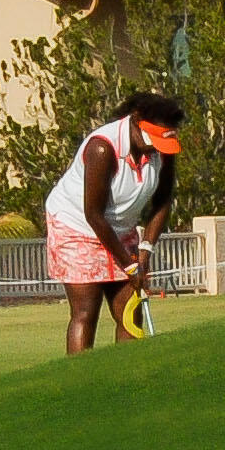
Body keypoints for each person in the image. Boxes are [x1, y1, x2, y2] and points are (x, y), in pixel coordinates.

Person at [45, 92, 184, 352]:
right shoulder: (102, 148)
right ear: (135, 122)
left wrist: (146, 250)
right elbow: (93, 214)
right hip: (77, 226)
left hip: (120, 228)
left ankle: (126, 376)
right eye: (153, 140)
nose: (157, 148)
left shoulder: (162, 149)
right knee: (86, 311)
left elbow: (163, 201)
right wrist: (129, 265)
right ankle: (80, 381)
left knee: (131, 307)